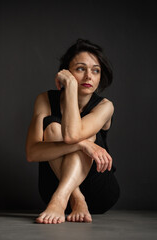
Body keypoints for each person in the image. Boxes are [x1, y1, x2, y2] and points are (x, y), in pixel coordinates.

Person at [26, 39, 120, 224]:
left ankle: (61, 198)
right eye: (80, 69)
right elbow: (32, 153)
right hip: (52, 185)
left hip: (98, 190)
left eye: (95, 70)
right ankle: (75, 198)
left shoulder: (105, 106)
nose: (88, 77)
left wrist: (70, 88)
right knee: (53, 127)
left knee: (85, 134)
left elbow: (72, 135)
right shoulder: (45, 99)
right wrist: (85, 145)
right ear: (66, 72)